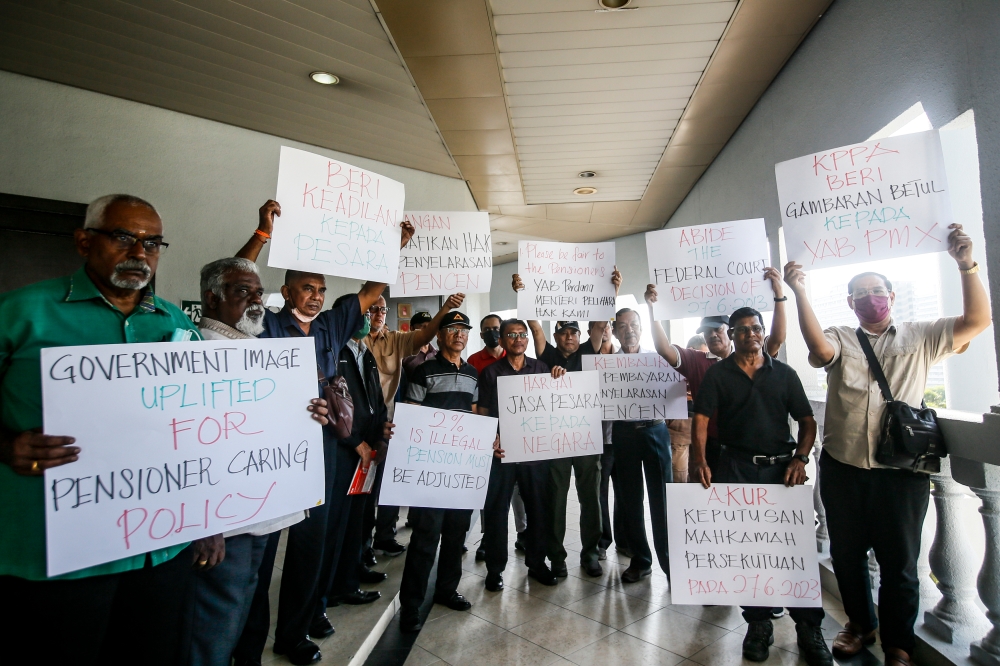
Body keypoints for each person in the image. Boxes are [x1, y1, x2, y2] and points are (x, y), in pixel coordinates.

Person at [0, 195, 328, 666]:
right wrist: (7, 444)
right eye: (124, 238)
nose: (140, 252)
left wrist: (206, 522)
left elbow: (197, 428)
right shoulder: (20, 313)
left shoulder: (175, 325)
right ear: (83, 241)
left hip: (160, 551)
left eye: (153, 242)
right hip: (58, 558)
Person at [783, 223, 991, 666]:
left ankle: (899, 643)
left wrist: (966, 265)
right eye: (859, 293)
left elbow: (977, 322)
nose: (868, 297)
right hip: (843, 468)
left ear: (892, 298)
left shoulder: (922, 336)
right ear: (850, 303)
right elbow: (819, 352)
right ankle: (860, 625)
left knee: (900, 565)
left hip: (902, 473)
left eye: (876, 290)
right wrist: (799, 291)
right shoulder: (841, 336)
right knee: (847, 554)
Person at [233, 200, 409, 666]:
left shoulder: (332, 323)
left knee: (313, 545)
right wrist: (262, 233)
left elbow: (372, 291)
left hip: (325, 448)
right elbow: (234, 282)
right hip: (272, 447)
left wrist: (395, 246)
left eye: (321, 289)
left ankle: (296, 630)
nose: (315, 295)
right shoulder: (264, 324)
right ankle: (245, 646)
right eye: (306, 288)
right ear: (287, 291)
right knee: (262, 552)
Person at [691, 307, 831, 666]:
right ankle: (757, 624)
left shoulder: (784, 374)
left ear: (763, 331)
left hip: (783, 472)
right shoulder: (718, 375)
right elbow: (702, 419)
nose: (749, 334)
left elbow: (807, 421)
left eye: (755, 328)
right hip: (735, 468)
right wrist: (701, 460)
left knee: (794, 552)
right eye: (741, 330)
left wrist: (800, 458)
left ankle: (809, 628)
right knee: (746, 550)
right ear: (732, 335)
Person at [190, 257, 312, 666]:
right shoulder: (194, 349)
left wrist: (308, 412)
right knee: (219, 616)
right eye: (244, 292)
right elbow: (191, 441)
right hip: (227, 518)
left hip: (266, 507)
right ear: (212, 297)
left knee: (248, 602)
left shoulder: (260, 349)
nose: (257, 302)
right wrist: (205, 520)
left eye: (259, 293)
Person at [511, 268, 622, 579]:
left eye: (573, 332)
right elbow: (534, 327)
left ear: (580, 335)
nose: (568, 337)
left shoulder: (590, 351)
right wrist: (523, 292)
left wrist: (612, 289)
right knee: (555, 502)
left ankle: (590, 554)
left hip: (589, 440)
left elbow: (601, 322)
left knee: (591, 501)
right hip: (557, 442)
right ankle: (556, 557)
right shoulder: (546, 356)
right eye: (562, 332)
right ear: (557, 335)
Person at [645, 267, 787, 474]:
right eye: (706, 332)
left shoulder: (753, 356)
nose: (711, 335)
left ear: (730, 331)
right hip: (711, 447)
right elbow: (664, 349)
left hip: (750, 446)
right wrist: (652, 310)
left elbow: (777, 338)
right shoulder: (695, 360)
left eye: (717, 329)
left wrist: (779, 296)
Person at [397, 311, 481, 632]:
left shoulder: (473, 374)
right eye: (452, 329)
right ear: (440, 335)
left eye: (463, 330)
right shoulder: (424, 371)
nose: (459, 334)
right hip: (431, 468)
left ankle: (447, 589)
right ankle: (411, 605)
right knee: (426, 536)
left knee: (456, 533)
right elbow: (412, 417)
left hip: (461, 469)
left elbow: (473, 415)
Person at [477, 319, 566, 591]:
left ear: (528, 339)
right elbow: (482, 412)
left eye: (522, 334)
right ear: (502, 341)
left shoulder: (542, 370)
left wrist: (561, 378)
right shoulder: (491, 373)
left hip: (534, 454)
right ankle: (495, 569)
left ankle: (537, 564)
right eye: (511, 335)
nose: (518, 339)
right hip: (501, 455)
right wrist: (489, 439)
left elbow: (555, 403)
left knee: (538, 510)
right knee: (496, 512)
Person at [321, 294, 391, 613]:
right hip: (345, 452)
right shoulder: (334, 353)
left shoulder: (365, 353)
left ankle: (350, 579)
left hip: (368, 452)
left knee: (358, 521)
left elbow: (374, 400)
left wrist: (381, 433)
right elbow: (332, 407)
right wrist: (356, 444)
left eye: (377, 311)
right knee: (337, 525)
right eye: (366, 312)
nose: (371, 318)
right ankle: (332, 589)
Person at [609, 307, 673, 583]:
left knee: (662, 499)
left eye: (633, 324)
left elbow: (673, 395)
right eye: (622, 326)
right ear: (614, 332)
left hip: (655, 431)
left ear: (641, 328)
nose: (629, 330)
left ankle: (671, 563)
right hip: (624, 435)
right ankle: (641, 560)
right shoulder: (607, 365)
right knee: (630, 500)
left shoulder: (658, 359)